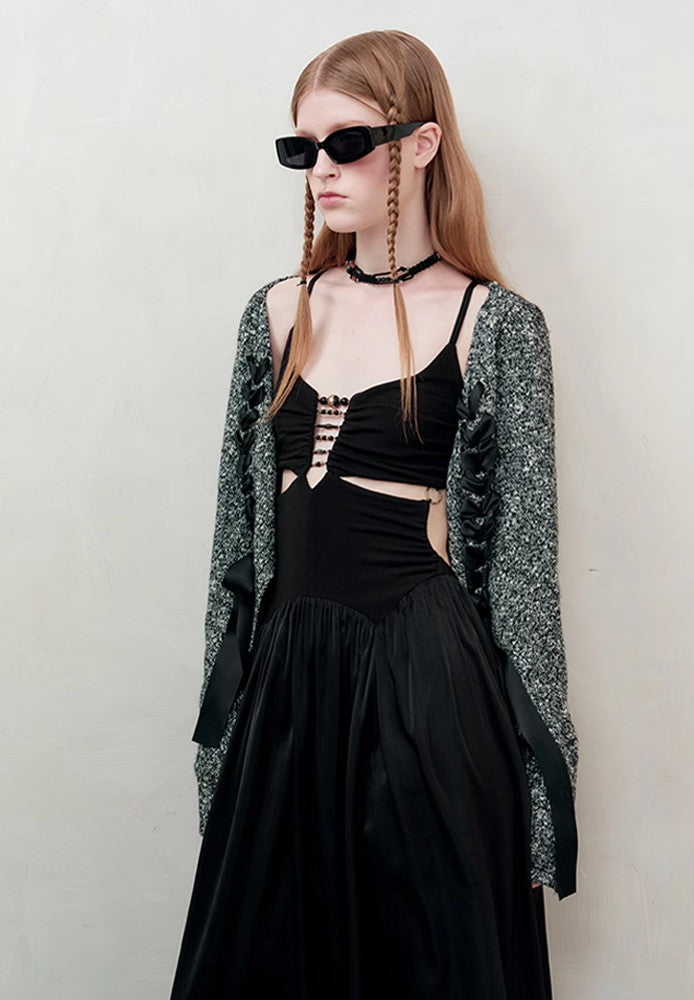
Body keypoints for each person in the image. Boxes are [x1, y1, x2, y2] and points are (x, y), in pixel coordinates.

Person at [169, 29, 578, 1000]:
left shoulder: (497, 326)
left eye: (346, 143)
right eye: (301, 148)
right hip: (289, 691)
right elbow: (235, 552)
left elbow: (524, 578)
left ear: (422, 143)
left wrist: (543, 799)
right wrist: (218, 748)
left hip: (427, 684)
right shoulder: (276, 312)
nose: (321, 170)